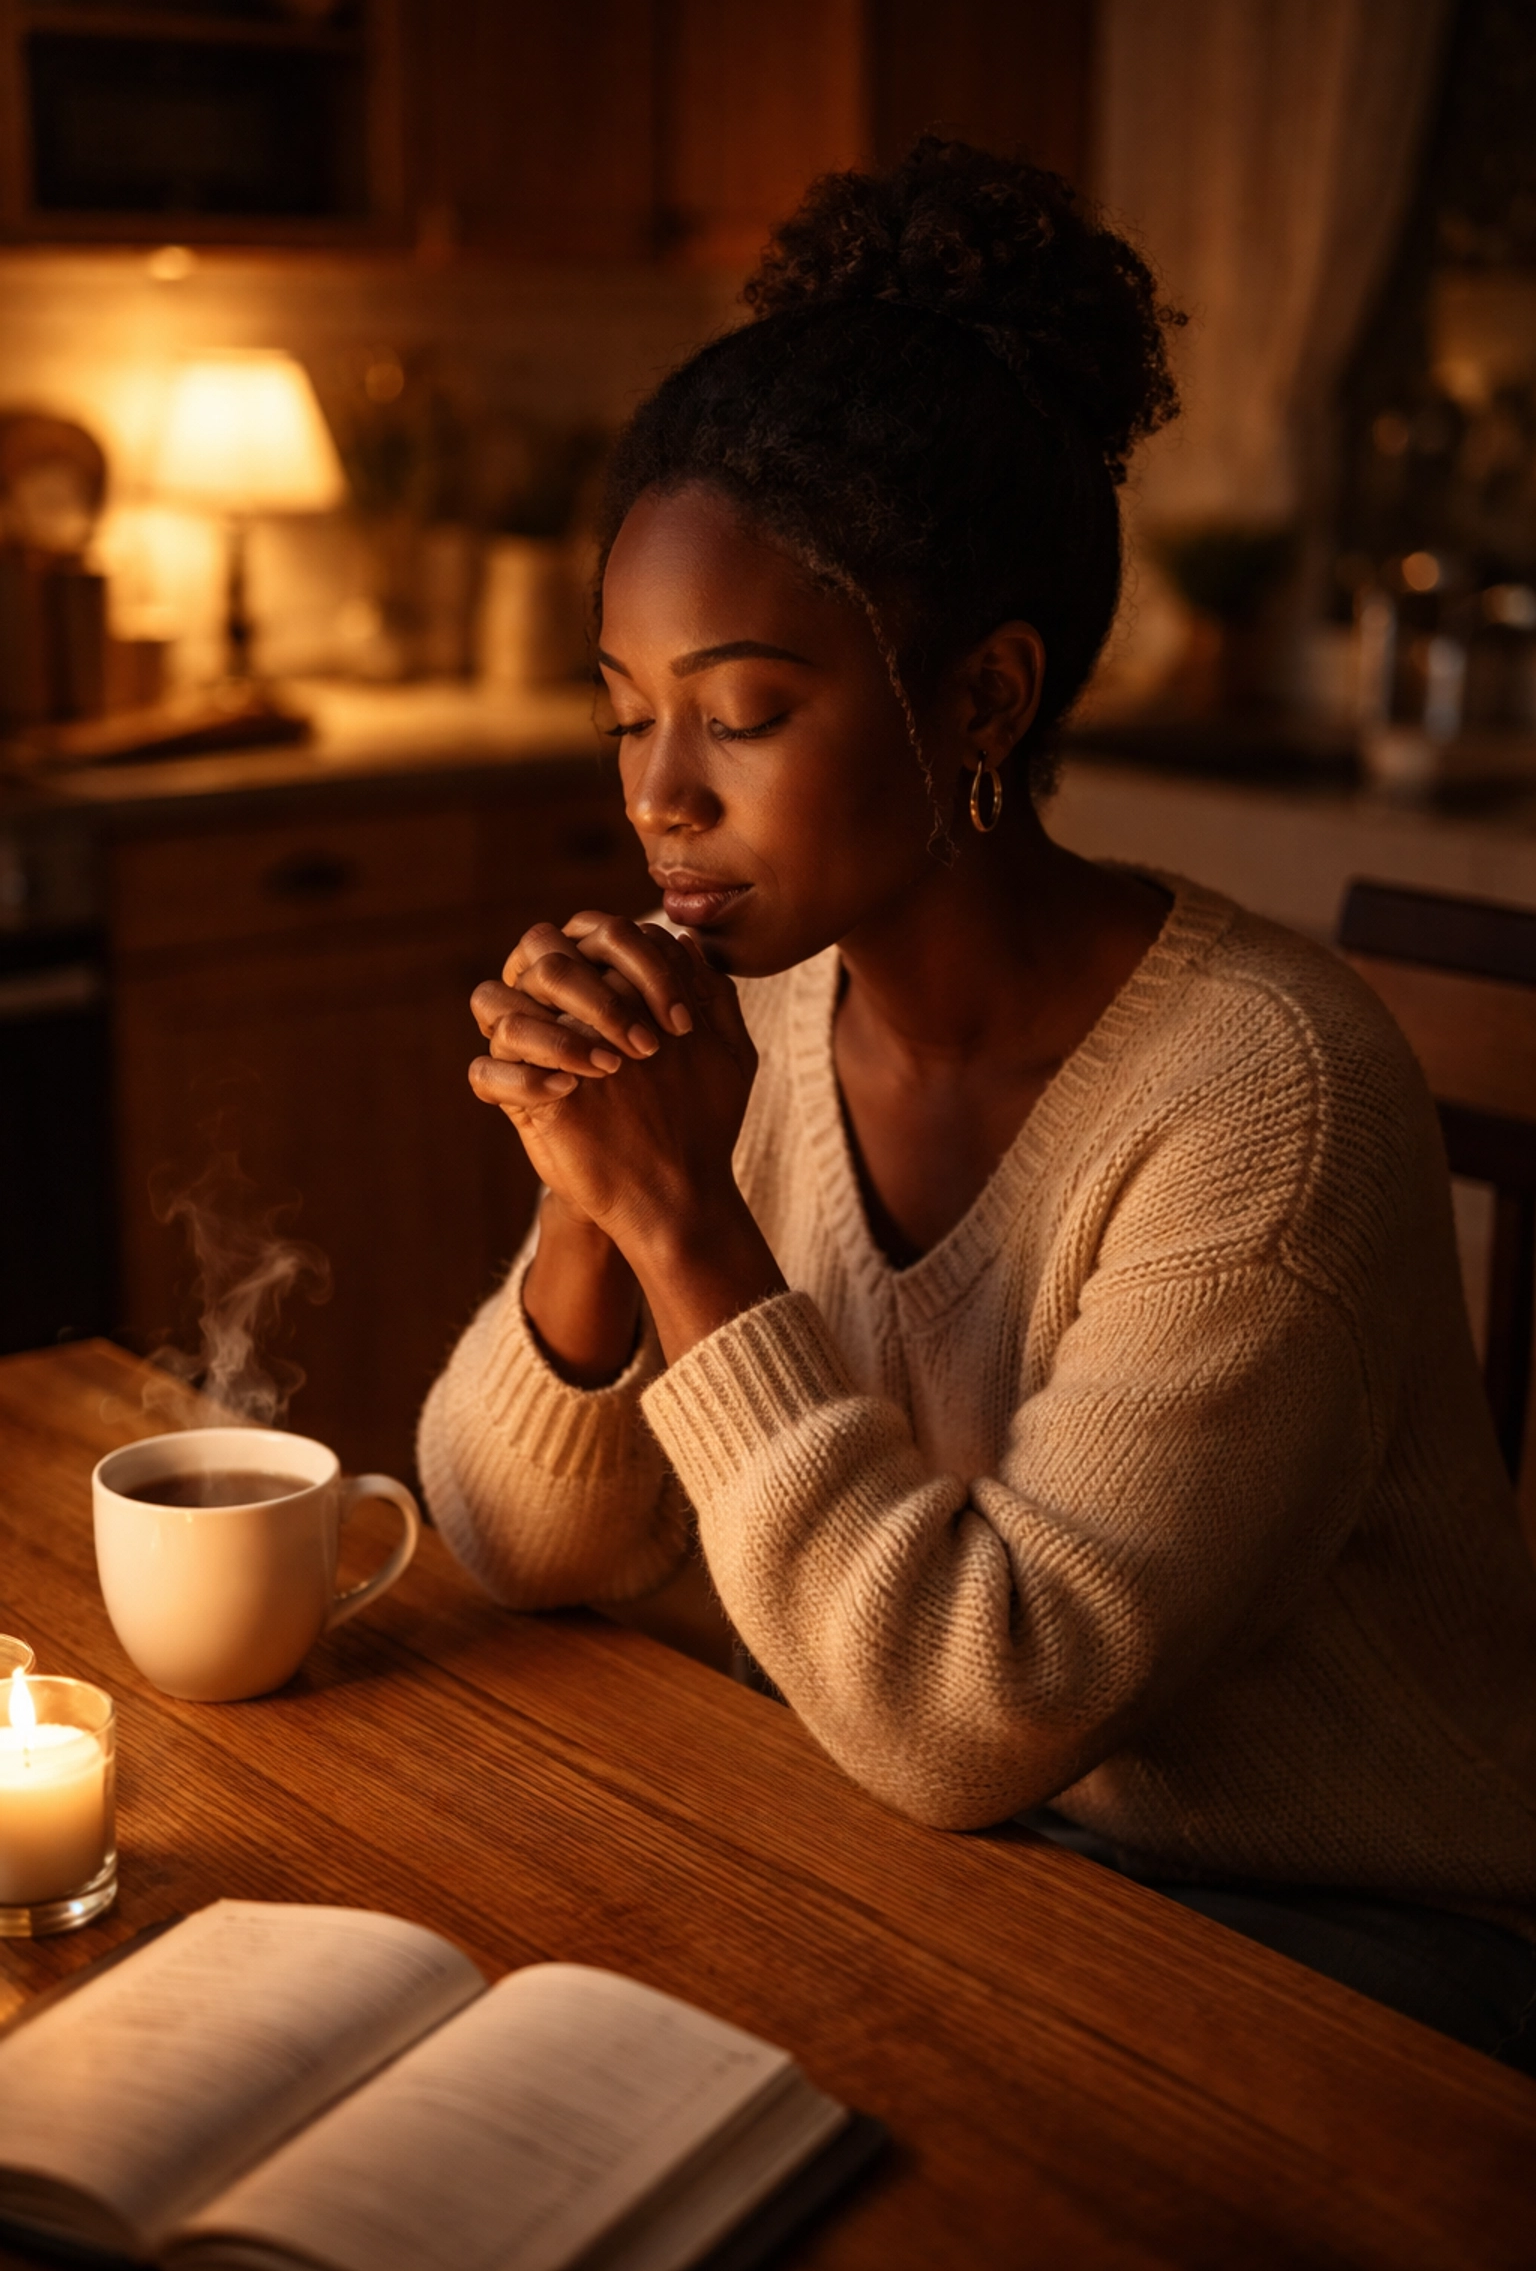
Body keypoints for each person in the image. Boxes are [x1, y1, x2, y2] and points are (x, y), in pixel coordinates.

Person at [420, 141, 1536, 2067]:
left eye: (744, 715)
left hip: (1340, 1955)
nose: (658, 795)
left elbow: (972, 1705)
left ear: (984, 703)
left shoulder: (1264, 1103)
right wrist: (596, 1190)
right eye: (626, 712)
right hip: (963, 1852)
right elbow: (520, 1542)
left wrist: (693, 1226)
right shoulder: (755, 1016)